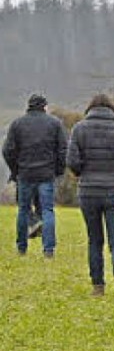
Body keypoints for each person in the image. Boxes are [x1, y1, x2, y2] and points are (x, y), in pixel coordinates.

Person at [67, 95, 114, 298]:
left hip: (88, 190)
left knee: (94, 240)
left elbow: (72, 160)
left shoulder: (79, 129)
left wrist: (82, 173)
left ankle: (98, 286)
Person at [2, 93, 67, 258]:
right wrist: (58, 170)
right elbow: (62, 150)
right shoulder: (55, 124)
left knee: (23, 210)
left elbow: (7, 150)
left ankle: (21, 247)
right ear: (44, 106)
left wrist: (16, 170)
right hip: (47, 174)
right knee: (47, 210)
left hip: (25, 173)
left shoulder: (17, 124)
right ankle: (48, 249)